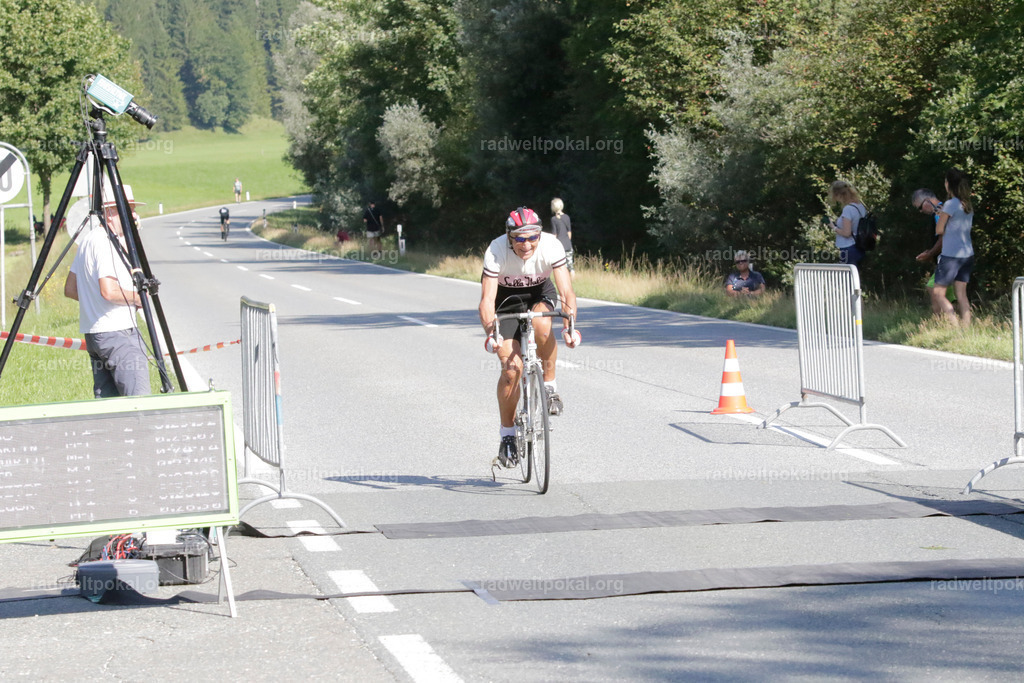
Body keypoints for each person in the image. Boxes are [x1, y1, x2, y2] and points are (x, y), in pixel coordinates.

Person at [479, 207, 579, 468]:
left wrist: (570, 326)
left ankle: (549, 387)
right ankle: (508, 435)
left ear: (539, 234)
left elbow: (567, 293)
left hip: (539, 296)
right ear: (509, 236)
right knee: (511, 370)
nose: (527, 244)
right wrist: (492, 333)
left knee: (543, 325)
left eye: (532, 237)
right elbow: (487, 301)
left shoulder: (551, 245)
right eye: (520, 238)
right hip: (506, 303)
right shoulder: (496, 249)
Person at [63, 184, 151, 398]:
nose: (134, 214)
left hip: (95, 334)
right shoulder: (105, 243)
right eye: (128, 209)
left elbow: (71, 289)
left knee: (109, 406)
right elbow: (109, 291)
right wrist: (138, 298)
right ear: (111, 212)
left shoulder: (88, 241)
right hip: (117, 332)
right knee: (138, 401)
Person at [916, 169, 974, 325]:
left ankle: (953, 324)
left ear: (948, 184)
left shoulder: (949, 204)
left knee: (938, 293)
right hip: (967, 254)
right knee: (961, 295)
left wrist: (942, 216)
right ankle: (966, 328)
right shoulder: (966, 204)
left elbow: (939, 230)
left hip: (951, 255)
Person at [910, 188, 954, 310]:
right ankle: (961, 324)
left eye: (920, 207)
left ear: (927, 202)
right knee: (952, 297)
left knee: (934, 289)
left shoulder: (938, 213)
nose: (921, 211)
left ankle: (940, 323)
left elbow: (943, 239)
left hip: (948, 259)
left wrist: (930, 254)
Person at [828, 180, 867, 267]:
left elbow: (846, 233)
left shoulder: (848, 209)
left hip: (849, 248)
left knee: (847, 278)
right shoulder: (860, 206)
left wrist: (833, 227)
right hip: (860, 246)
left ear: (838, 195)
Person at [549, 197, 574, 278]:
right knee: (571, 266)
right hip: (568, 245)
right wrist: (567, 241)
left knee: (563, 266)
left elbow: (554, 234)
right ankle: (573, 279)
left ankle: (565, 281)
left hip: (559, 246)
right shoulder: (567, 217)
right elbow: (569, 232)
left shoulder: (553, 219)